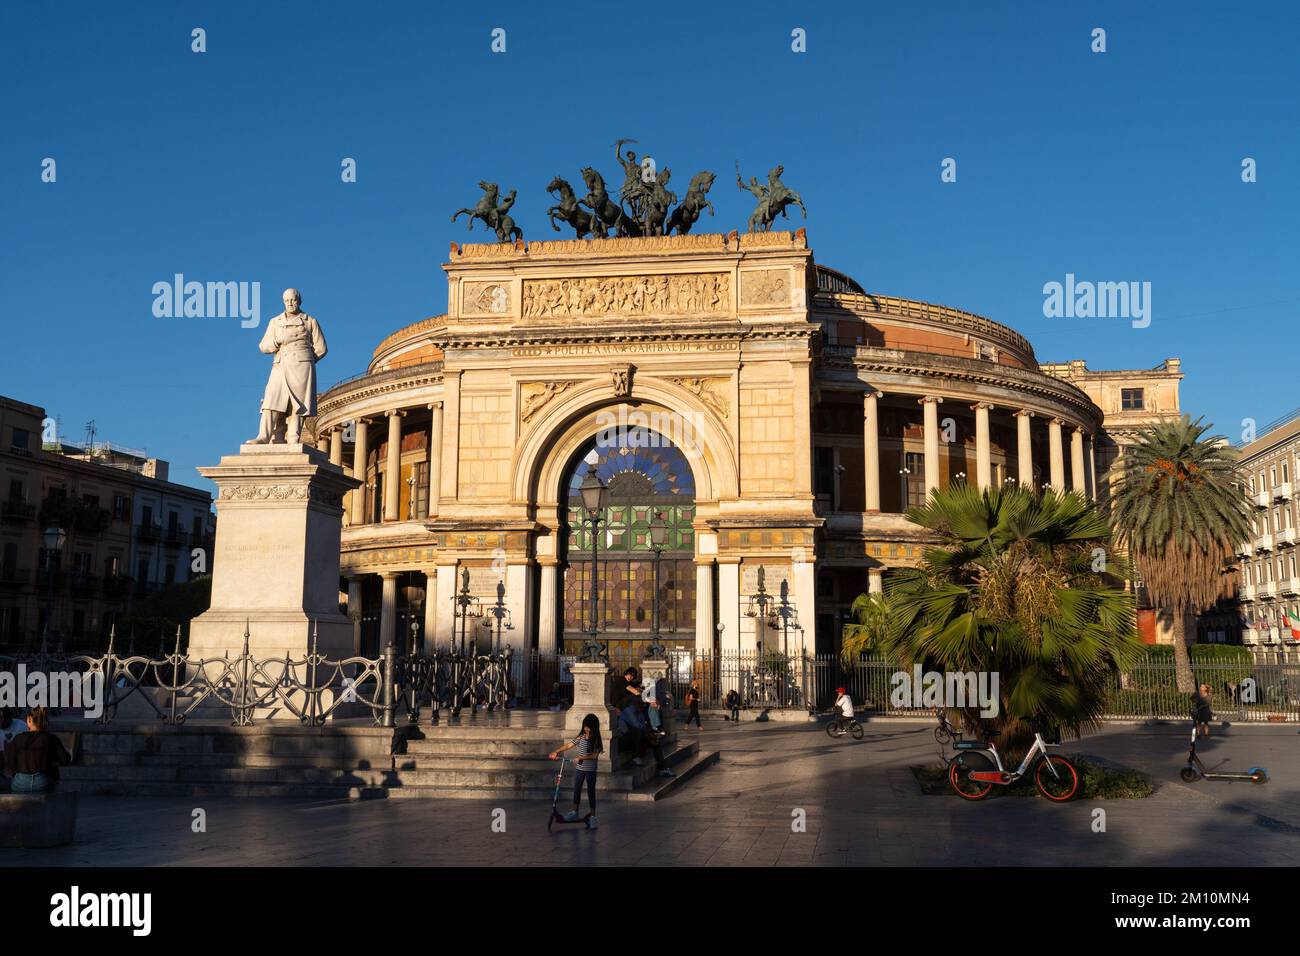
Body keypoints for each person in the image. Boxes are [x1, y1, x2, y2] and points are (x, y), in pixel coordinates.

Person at [549, 713, 603, 829]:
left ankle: (593, 817)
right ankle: (574, 812)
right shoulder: (581, 737)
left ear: (593, 727)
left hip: (590, 770)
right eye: (585, 726)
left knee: (590, 792)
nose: (586, 729)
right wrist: (556, 752)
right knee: (576, 790)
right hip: (580, 769)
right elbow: (568, 745)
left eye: (588, 727)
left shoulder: (596, 739)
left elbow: (594, 756)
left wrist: (581, 758)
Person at [3, 707, 71, 794]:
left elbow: (9, 762)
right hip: (43, 782)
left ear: (29, 720)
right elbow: (65, 760)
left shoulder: (19, 738)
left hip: (20, 783)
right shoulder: (51, 738)